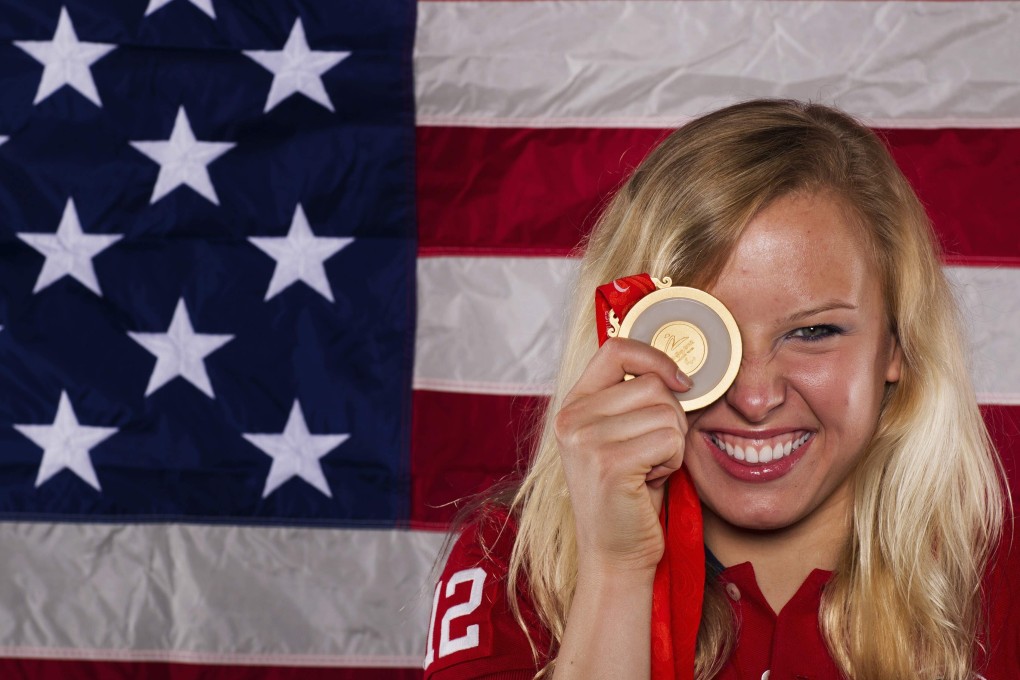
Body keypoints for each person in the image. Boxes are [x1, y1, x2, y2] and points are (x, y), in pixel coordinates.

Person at [422, 99, 1016, 679]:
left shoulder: (999, 575)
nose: (755, 399)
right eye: (702, 337)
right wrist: (617, 569)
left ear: (897, 346)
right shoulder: (512, 566)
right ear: (627, 338)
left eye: (813, 331)